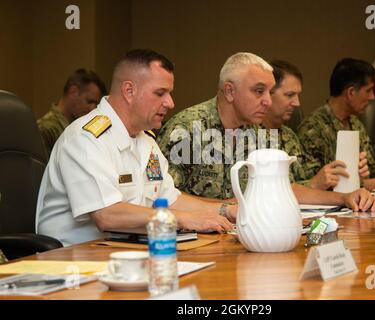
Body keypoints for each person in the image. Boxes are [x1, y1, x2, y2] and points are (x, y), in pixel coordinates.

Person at [36, 49, 234, 246]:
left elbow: (170, 199)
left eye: (169, 93)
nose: (170, 103)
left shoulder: (146, 141)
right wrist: (182, 219)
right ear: (129, 91)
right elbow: (107, 215)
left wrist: (227, 210)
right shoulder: (86, 138)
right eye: (160, 93)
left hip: (123, 253)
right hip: (72, 263)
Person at [157, 52, 375, 211]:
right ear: (230, 91)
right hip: (193, 242)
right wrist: (226, 208)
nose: (267, 101)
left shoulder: (259, 131)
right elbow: (162, 197)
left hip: (244, 235)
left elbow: (285, 188)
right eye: (259, 91)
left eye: (270, 92)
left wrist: (344, 197)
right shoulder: (186, 129)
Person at [297, 58, 375, 190]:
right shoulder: (312, 129)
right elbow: (312, 183)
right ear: (351, 93)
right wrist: (363, 184)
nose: (372, 97)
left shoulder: (356, 123)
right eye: (368, 91)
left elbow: (371, 169)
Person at [264, 59, 370, 190]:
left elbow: (303, 181)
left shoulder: (289, 135)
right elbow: (256, 192)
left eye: (297, 95)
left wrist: (351, 176)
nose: (297, 103)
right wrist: (313, 184)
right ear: (267, 94)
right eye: (290, 95)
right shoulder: (245, 134)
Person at [37, 69, 107, 155]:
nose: (93, 108)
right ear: (73, 91)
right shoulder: (46, 129)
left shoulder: (81, 127)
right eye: (89, 101)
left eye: (96, 104)